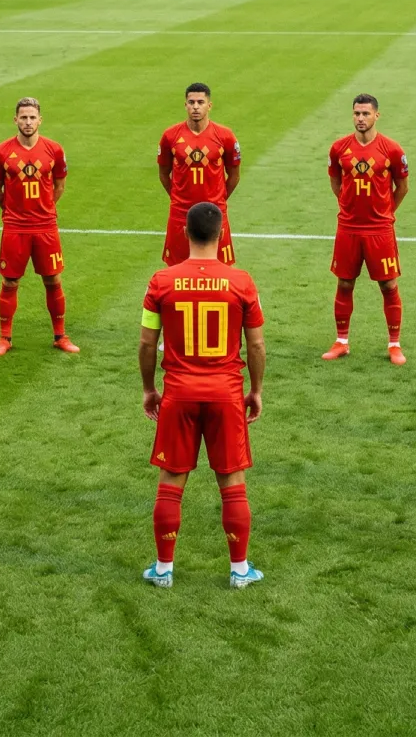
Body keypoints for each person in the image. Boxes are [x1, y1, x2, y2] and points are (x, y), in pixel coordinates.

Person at [139, 201, 266, 589]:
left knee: (171, 480)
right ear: (222, 234)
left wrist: (149, 388)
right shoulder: (242, 282)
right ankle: (240, 570)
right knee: (232, 482)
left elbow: (147, 344)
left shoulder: (161, 281)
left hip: (179, 393)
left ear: (185, 233)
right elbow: (257, 346)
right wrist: (256, 390)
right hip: (226, 394)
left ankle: (163, 570)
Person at [322, 94, 410, 365]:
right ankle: (342, 341)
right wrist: (349, 207)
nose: (360, 118)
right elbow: (336, 182)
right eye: (357, 113)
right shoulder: (339, 148)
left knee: (388, 284)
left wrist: (385, 214)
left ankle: (394, 345)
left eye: (365, 114)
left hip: (380, 230)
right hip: (348, 228)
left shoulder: (392, 150)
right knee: (345, 282)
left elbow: (402, 187)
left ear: (376, 116)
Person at [0, 97, 76, 355]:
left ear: (40, 120)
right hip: (15, 227)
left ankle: (60, 335)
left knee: (53, 279)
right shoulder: (1, 151)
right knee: (10, 282)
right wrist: (13, 211)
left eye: (32, 117)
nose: (28, 122)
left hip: (45, 226)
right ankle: (5, 338)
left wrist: (44, 208)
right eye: (23, 117)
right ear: (15, 120)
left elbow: (59, 185)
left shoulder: (54, 150)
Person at [157, 82, 241, 265]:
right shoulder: (170, 136)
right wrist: (177, 198)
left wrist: (219, 199)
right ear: (185, 105)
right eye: (191, 102)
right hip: (181, 214)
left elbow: (234, 175)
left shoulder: (225, 136)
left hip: (215, 212)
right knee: (176, 268)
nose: (196, 107)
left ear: (209, 105)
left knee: (221, 270)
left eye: (200, 102)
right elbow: (164, 174)